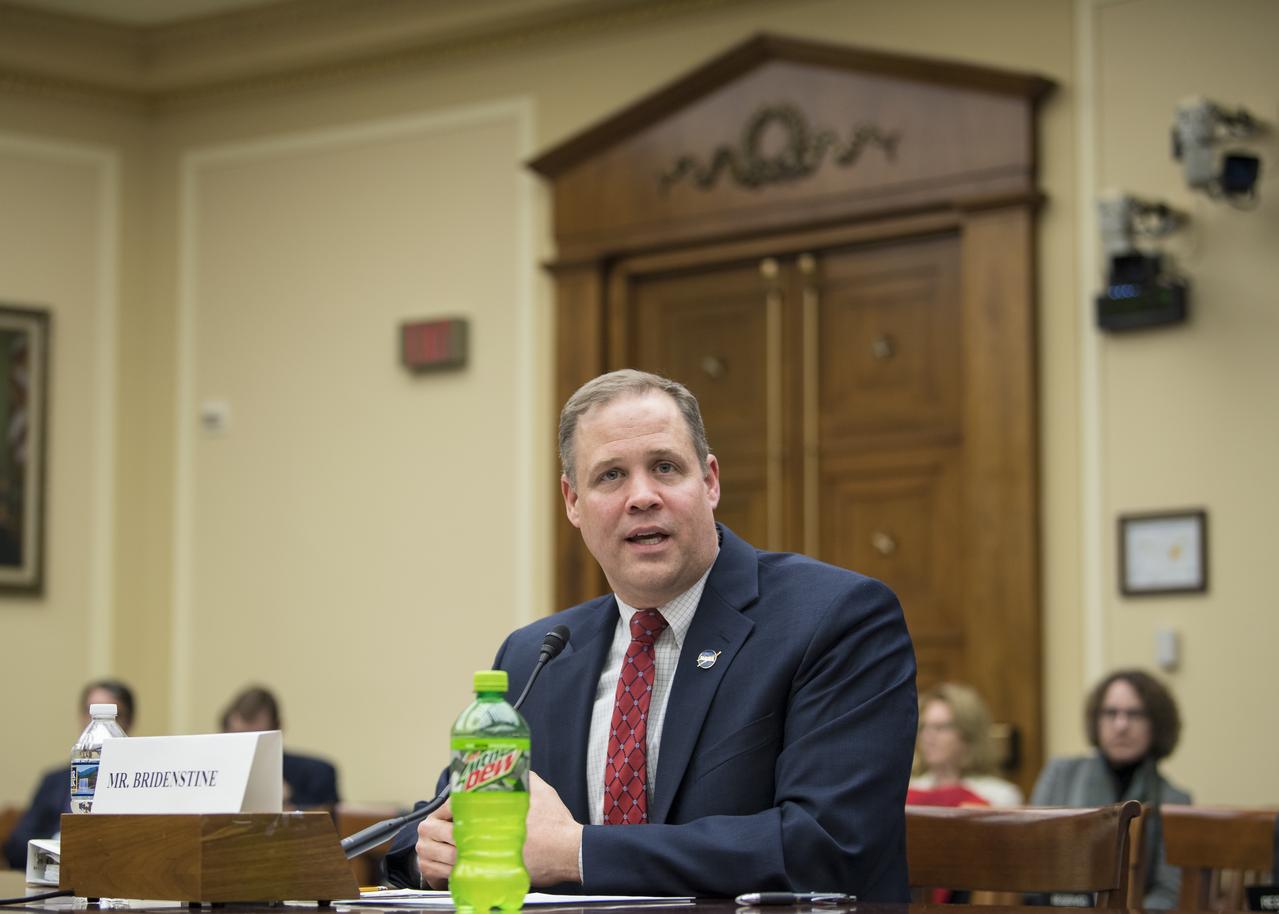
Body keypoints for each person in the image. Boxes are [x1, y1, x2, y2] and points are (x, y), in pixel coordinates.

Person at [384, 369, 918, 898]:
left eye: (665, 467)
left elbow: (827, 847)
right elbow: (439, 819)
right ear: (573, 502)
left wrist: (577, 853)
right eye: (610, 476)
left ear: (709, 481)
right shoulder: (536, 655)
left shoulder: (836, 618)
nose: (642, 496)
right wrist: (429, 854)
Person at [1030, 669, 1190, 911]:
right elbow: (1028, 865)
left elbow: (1169, 892)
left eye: (1134, 714)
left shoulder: (1175, 800)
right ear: (1096, 719)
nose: (1121, 725)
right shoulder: (1060, 774)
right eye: (1110, 713)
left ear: (1156, 723)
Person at [3, 679, 135, 869]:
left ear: (128, 721)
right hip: (57, 878)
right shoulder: (53, 782)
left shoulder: (138, 781)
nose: (100, 726)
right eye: (89, 712)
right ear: (81, 716)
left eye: (114, 717)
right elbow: (15, 846)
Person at [220, 685, 341, 809]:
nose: (246, 749)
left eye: (256, 738)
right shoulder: (216, 776)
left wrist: (289, 798)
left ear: (277, 730)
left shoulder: (317, 774)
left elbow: (330, 822)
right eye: (238, 738)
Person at [908, 682, 1023, 808]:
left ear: (968, 734)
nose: (928, 736)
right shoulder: (906, 791)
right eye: (923, 727)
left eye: (940, 727)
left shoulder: (1000, 796)